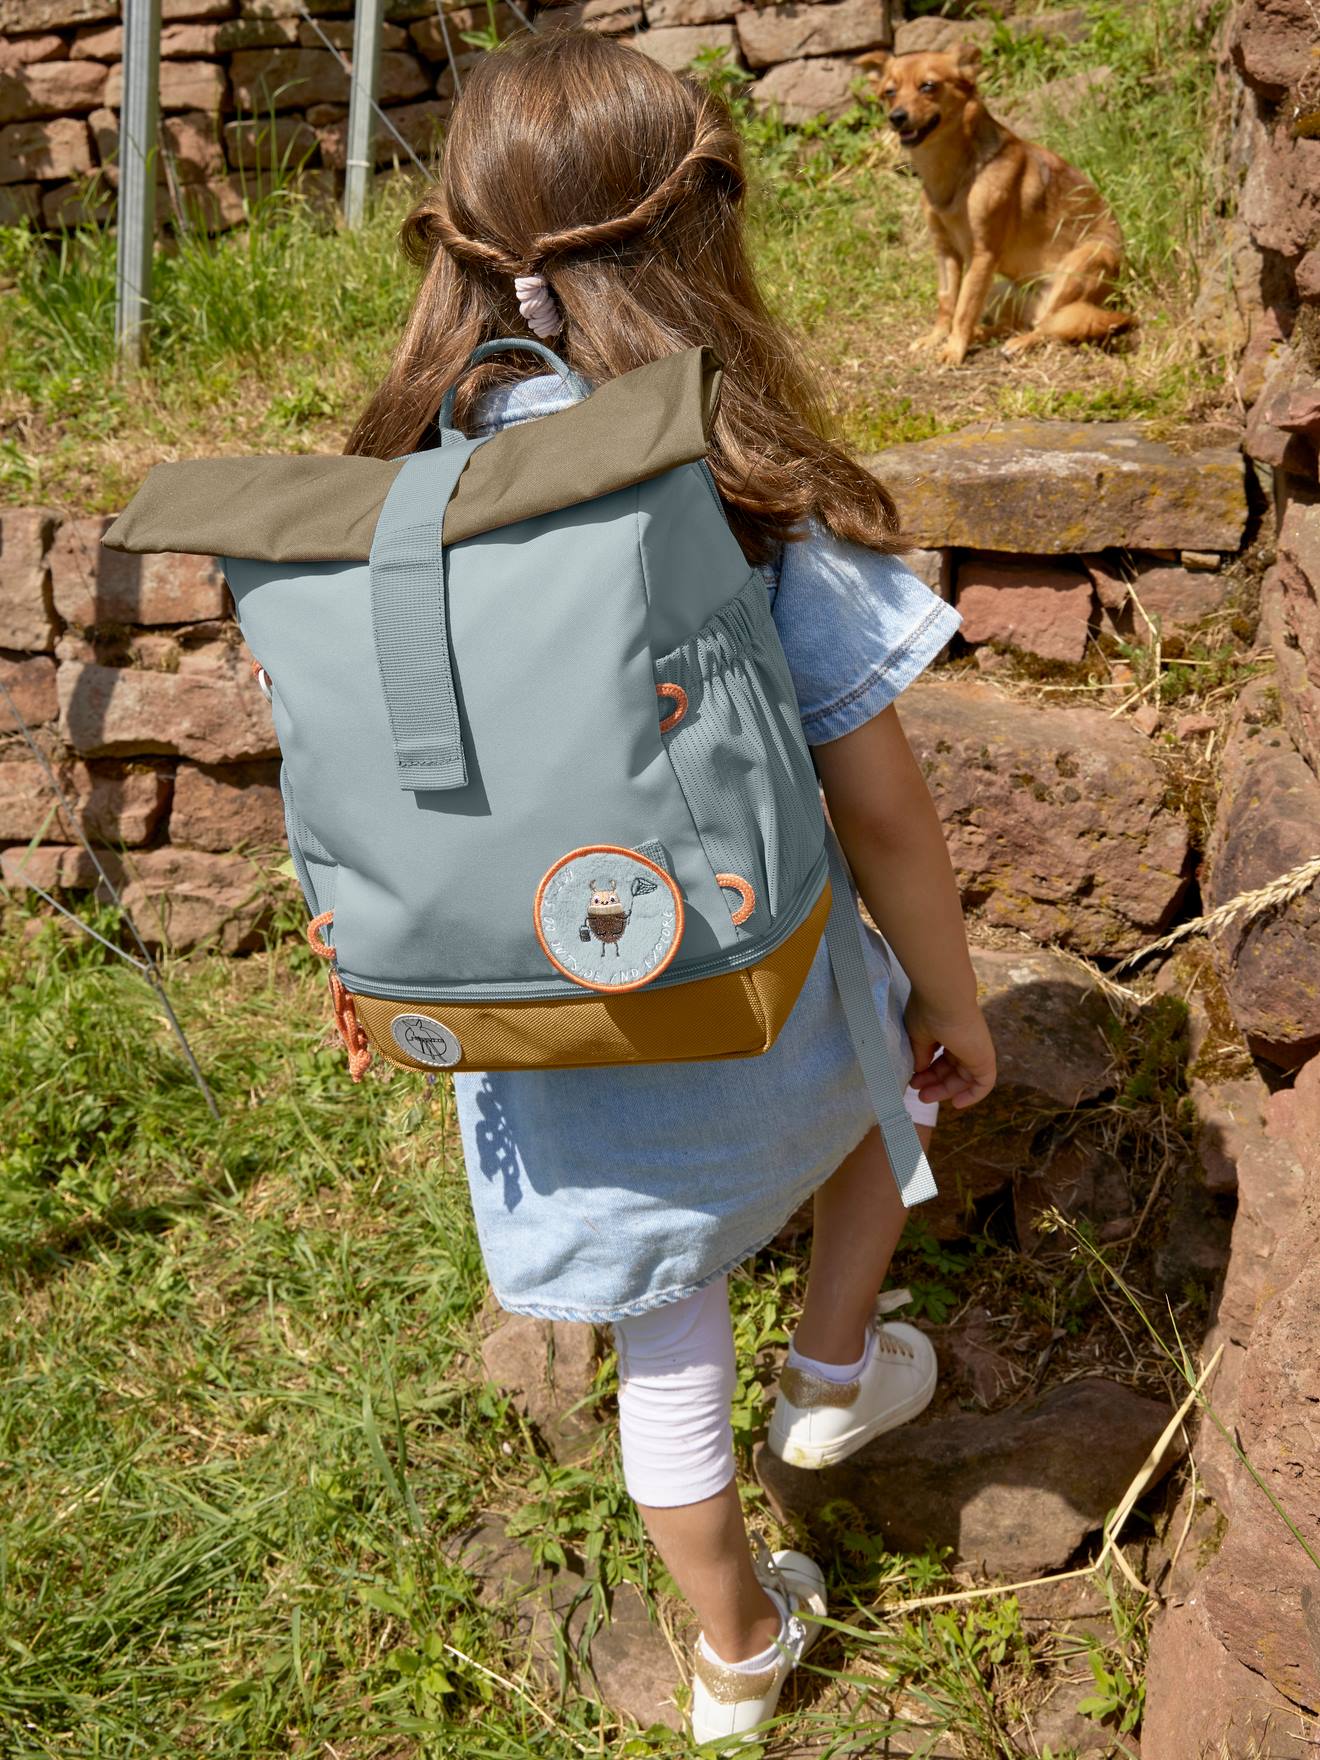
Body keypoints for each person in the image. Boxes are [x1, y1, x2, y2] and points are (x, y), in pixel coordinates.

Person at [347, 29, 996, 1747]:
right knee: (889, 1074)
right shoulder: (737, 483)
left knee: (668, 1358)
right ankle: (838, 1372)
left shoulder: (400, 498)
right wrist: (952, 997)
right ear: (699, 233)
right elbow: (883, 809)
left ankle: (733, 1654)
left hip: (553, 1031)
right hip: (767, 992)